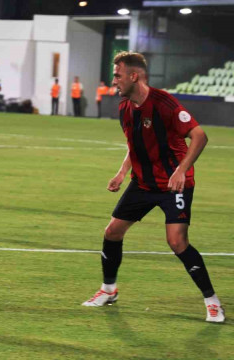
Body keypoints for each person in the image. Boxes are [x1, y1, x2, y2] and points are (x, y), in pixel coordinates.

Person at [81, 51, 224, 323]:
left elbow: (200, 136)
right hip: (143, 184)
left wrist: (182, 170)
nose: (114, 81)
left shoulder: (165, 104)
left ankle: (212, 302)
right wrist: (122, 172)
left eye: (118, 75)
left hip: (174, 184)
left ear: (134, 76)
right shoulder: (124, 107)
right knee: (112, 232)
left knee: (177, 242)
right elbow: (135, 143)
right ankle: (108, 290)